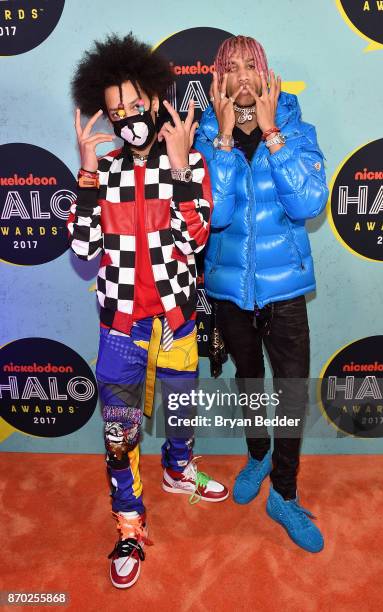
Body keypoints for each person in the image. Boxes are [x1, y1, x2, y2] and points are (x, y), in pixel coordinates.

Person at [68, 33, 228, 590]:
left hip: (178, 319)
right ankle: (129, 526)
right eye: (117, 112)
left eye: (137, 105)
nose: (129, 117)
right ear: (107, 119)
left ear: (156, 100)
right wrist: (88, 174)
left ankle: (179, 469)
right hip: (121, 328)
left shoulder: (190, 160)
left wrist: (182, 170)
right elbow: (84, 251)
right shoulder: (105, 171)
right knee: (120, 433)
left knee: (179, 413)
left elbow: (197, 237)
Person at [194, 35, 328, 553]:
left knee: (291, 394)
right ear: (219, 80)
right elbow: (217, 217)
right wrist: (224, 140)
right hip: (229, 291)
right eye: (233, 68)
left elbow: (310, 203)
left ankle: (285, 495)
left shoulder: (298, 129)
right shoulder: (204, 139)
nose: (244, 76)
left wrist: (272, 133)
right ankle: (257, 456)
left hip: (286, 290)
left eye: (253, 66)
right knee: (250, 384)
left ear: (267, 74)